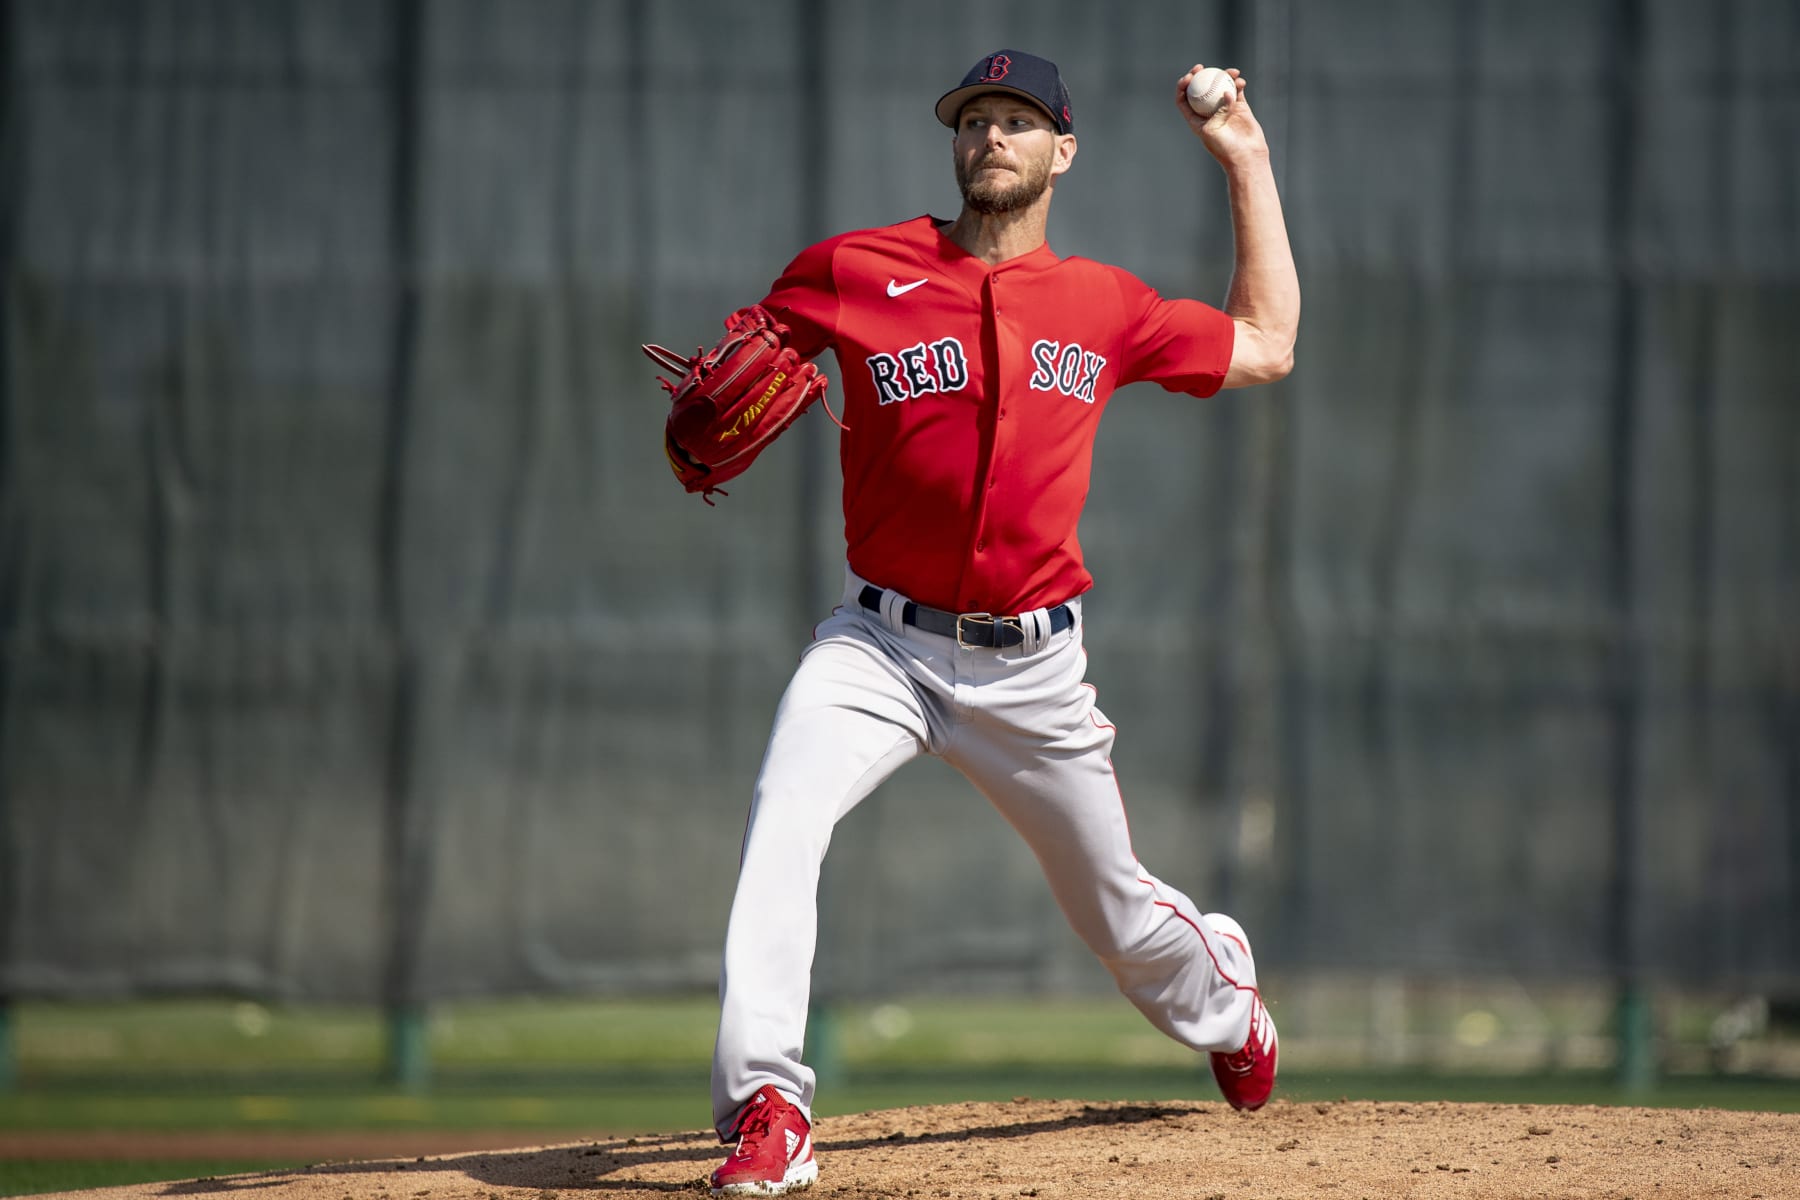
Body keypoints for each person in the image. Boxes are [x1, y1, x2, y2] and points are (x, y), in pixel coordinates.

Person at [701, 49, 1300, 1197]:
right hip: (874, 645)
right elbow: (751, 351)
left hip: (1033, 667)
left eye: (1018, 121)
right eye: (973, 119)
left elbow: (1267, 342)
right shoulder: (852, 268)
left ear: (1061, 152)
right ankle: (769, 1109)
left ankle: (1222, 995)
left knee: (1118, 919)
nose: (991, 137)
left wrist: (1245, 155)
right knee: (784, 818)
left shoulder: (1106, 304)